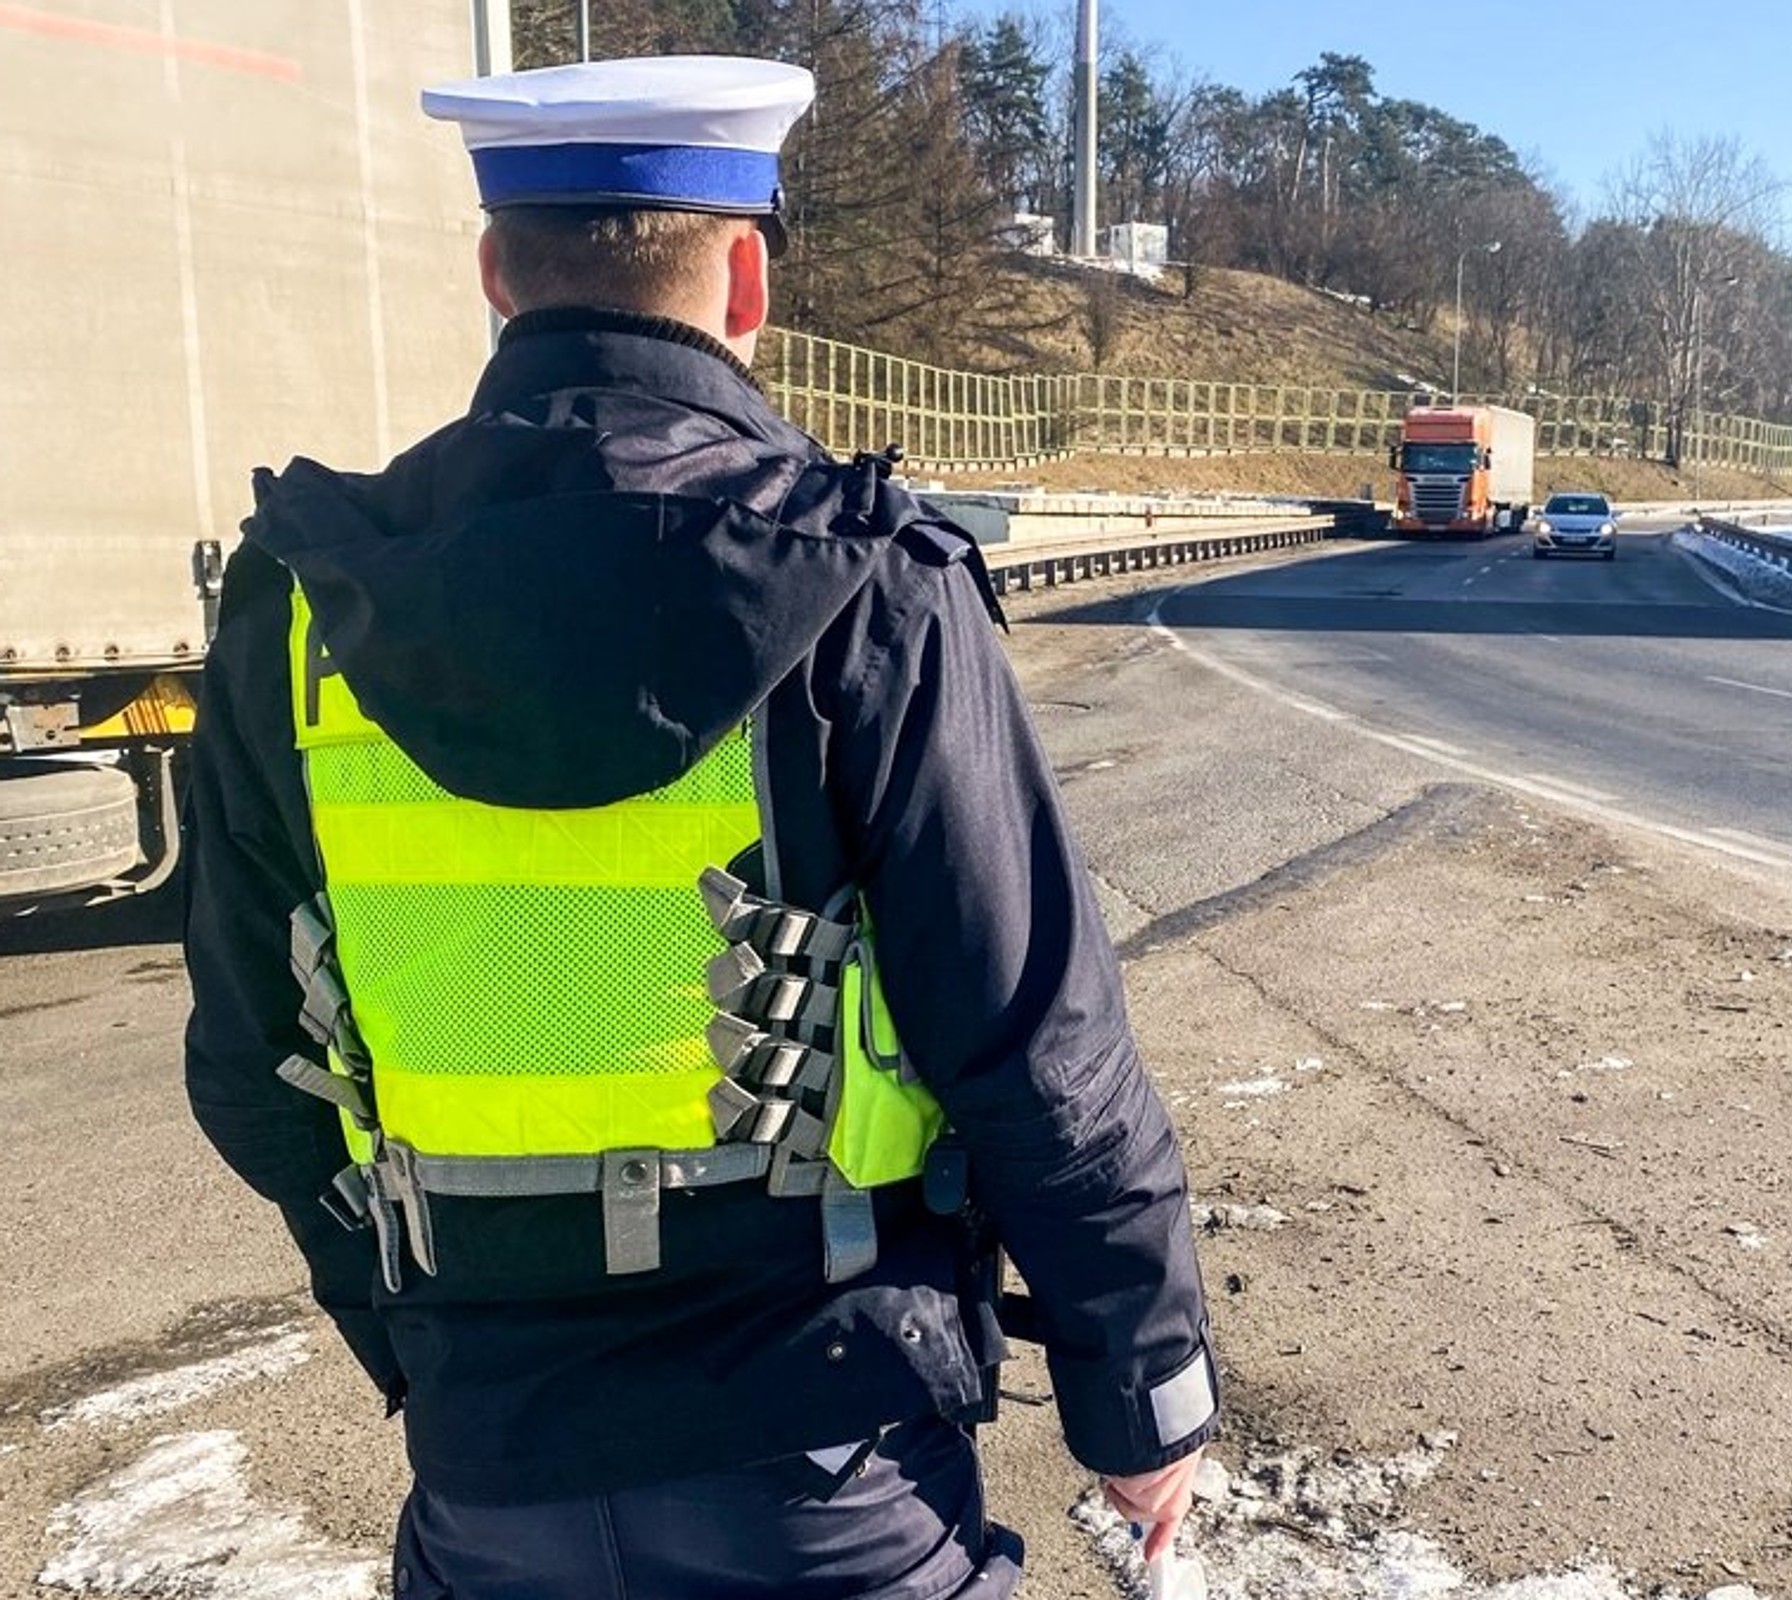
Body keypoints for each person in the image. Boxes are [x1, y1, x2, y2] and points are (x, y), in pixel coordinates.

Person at [182, 54, 1215, 1600]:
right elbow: (1033, 1044)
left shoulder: (299, 606)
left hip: (490, 1478)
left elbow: (248, 1064)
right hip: (828, 1459)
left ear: (492, 274)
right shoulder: (869, 586)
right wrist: (1138, 1394)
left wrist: (418, 1336)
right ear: (745, 276)